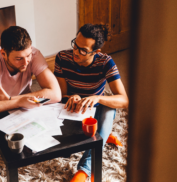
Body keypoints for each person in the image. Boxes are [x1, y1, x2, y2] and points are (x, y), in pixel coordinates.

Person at [54, 23, 129, 182]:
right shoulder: (62, 58)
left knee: (108, 111)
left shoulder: (105, 62)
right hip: (73, 110)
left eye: (83, 50)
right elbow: (61, 94)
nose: (76, 51)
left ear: (96, 52)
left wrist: (98, 98)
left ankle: (83, 171)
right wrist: (70, 96)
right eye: (75, 45)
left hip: (96, 112)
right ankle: (104, 134)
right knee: (60, 146)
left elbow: (124, 100)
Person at [0, 26, 61, 119]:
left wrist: (12, 99)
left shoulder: (34, 54)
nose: (25, 62)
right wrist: (17, 102)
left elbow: (56, 94)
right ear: (3, 54)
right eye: (19, 58)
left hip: (25, 107)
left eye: (28, 56)